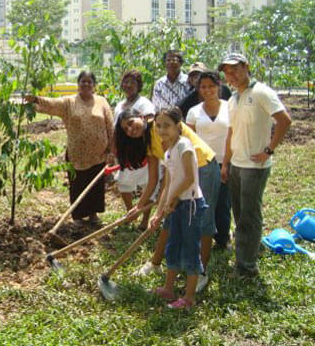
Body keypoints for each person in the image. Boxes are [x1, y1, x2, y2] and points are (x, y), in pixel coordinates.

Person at [119, 107, 218, 293]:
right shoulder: (150, 141)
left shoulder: (163, 128)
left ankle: (201, 272)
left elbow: (183, 176)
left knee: (203, 222)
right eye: (126, 129)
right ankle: (155, 263)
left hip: (202, 167)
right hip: (179, 178)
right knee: (168, 220)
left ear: (141, 117)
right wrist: (141, 207)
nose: (131, 130)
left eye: (131, 123)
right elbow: (160, 178)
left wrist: (168, 198)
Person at [220, 53, 292, 277]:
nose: (231, 75)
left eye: (235, 69)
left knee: (249, 215)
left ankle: (246, 267)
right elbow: (231, 132)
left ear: (246, 67)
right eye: (227, 71)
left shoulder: (261, 92)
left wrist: (269, 150)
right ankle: (251, 250)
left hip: (255, 166)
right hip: (237, 164)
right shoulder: (233, 98)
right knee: (240, 213)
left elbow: (284, 120)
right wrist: (226, 163)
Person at [26, 71, 115, 225]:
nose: (86, 84)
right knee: (77, 184)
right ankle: (78, 215)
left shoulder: (101, 101)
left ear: (94, 85)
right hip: (77, 153)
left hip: (98, 153)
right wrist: (35, 99)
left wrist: (111, 149)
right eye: (83, 81)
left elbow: (110, 125)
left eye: (89, 82)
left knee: (95, 185)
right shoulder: (69, 102)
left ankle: (93, 214)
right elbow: (51, 104)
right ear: (78, 84)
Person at [148, 107, 208, 309]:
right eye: (158, 126)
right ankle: (168, 289)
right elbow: (168, 183)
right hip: (175, 205)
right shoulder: (168, 151)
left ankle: (189, 299)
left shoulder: (184, 146)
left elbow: (190, 178)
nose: (162, 130)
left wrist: (173, 198)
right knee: (172, 246)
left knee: (191, 249)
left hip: (190, 204)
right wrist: (159, 211)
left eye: (167, 125)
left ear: (178, 126)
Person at [187, 71, 231, 250]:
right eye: (203, 87)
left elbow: (233, 136)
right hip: (203, 164)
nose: (207, 90)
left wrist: (226, 164)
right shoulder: (193, 112)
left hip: (224, 161)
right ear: (198, 89)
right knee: (203, 202)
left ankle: (222, 238)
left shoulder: (230, 107)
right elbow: (189, 140)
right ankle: (203, 237)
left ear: (218, 86)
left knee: (223, 202)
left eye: (211, 86)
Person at [113, 70, 155, 213]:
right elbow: (116, 130)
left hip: (143, 151)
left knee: (147, 182)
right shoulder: (120, 105)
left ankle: (144, 219)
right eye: (126, 82)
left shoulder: (144, 103)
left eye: (133, 82)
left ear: (139, 85)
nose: (128, 85)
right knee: (124, 182)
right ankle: (131, 212)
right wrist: (113, 151)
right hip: (125, 152)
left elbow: (150, 123)